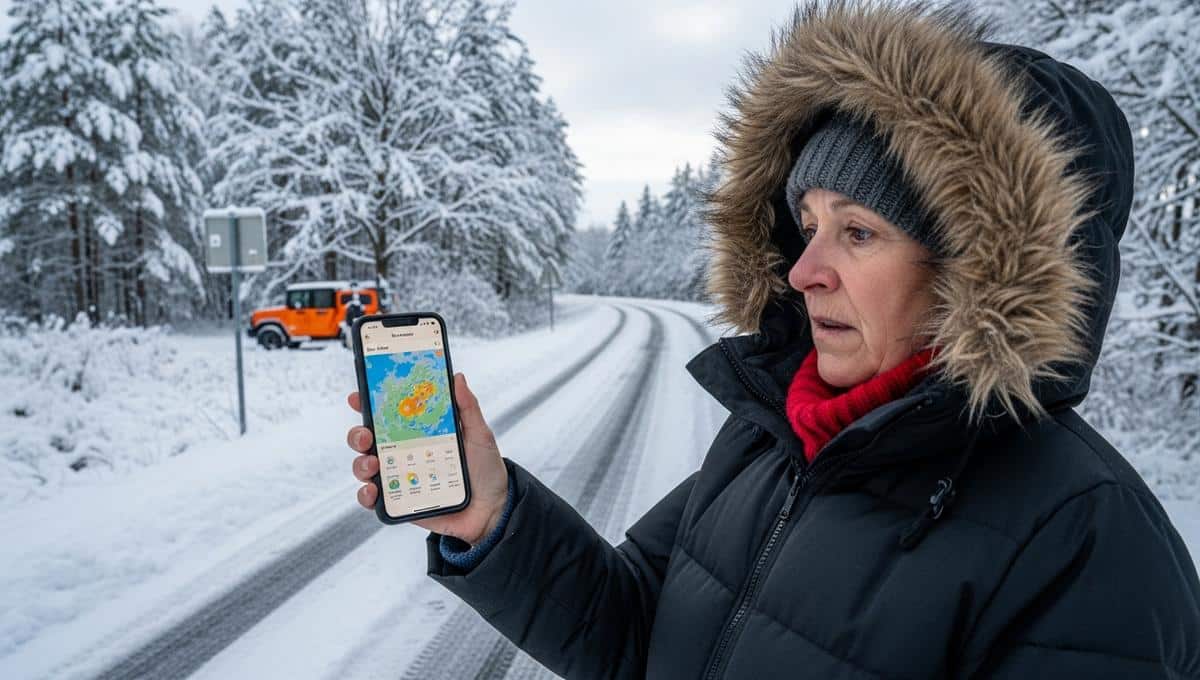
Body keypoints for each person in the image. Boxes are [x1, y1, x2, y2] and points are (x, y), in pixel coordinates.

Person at [345, 3, 1200, 677]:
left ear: (979, 267)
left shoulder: (1089, 550)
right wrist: (493, 517)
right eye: (808, 223)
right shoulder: (777, 435)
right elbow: (637, 630)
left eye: (858, 232)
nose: (804, 271)